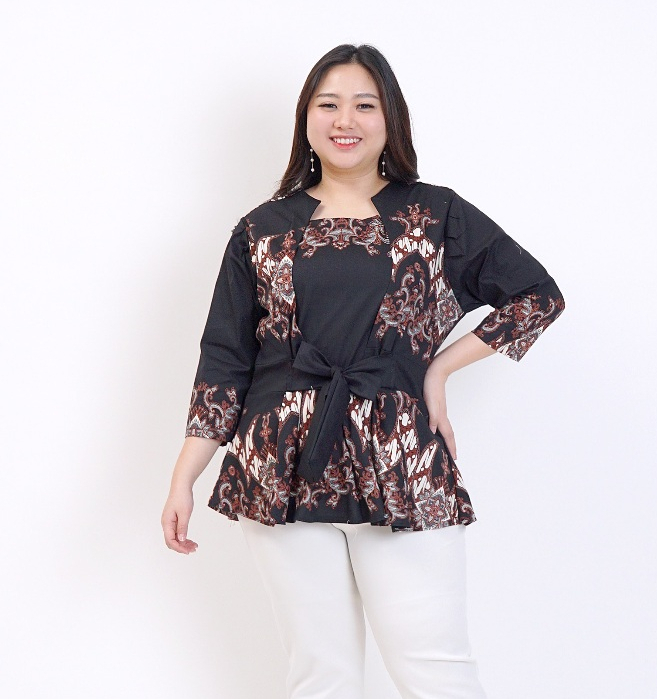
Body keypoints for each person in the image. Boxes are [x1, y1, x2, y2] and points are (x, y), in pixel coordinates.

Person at [161, 43, 565, 699]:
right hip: (281, 466)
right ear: (306, 119)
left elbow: (536, 296)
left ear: (389, 119)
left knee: (435, 669)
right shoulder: (261, 229)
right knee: (320, 675)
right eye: (328, 104)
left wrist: (438, 369)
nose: (344, 120)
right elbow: (225, 360)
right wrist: (184, 476)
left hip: (402, 458)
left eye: (363, 105)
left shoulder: (433, 214)